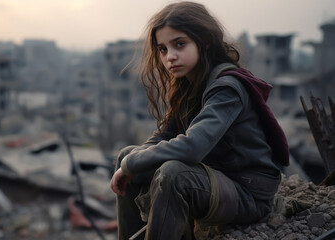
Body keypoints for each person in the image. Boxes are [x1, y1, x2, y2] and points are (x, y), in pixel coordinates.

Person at [109, 2, 290, 240]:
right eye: (163, 49)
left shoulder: (227, 88)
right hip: (216, 181)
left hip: (247, 193)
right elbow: (165, 135)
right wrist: (130, 161)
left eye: (179, 44)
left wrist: (131, 164)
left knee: (173, 173)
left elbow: (193, 146)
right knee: (127, 155)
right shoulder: (189, 85)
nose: (170, 57)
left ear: (204, 41)